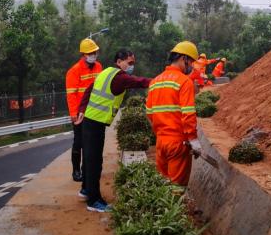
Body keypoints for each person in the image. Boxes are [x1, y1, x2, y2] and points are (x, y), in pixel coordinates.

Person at [76, 49, 150, 212]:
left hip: (90, 120)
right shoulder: (120, 77)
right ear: (119, 62)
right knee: (95, 162)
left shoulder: (105, 72)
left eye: (133, 63)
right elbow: (139, 81)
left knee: (89, 159)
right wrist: (159, 81)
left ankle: (85, 190)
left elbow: (89, 89)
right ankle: (94, 201)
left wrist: (82, 108)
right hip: (95, 122)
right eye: (129, 63)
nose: (131, 66)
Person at [146, 41, 202, 186]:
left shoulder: (155, 82)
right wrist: (193, 140)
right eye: (191, 62)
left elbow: (150, 114)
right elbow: (188, 114)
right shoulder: (185, 82)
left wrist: (160, 134)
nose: (191, 66)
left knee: (163, 186)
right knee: (176, 188)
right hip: (178, 143)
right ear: (184, 59)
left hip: (161, 143)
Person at [65, 38, 102, 182]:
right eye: (91, 52)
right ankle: (76, 170)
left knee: (91, 142)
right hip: (80, 113)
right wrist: (74, 114)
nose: (94, 54)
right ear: (84, 54)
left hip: (94, 112)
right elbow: (71, 95)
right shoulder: (74, 71)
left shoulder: (99, 66)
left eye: (95, 52)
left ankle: (87, 168)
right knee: (79, 142)